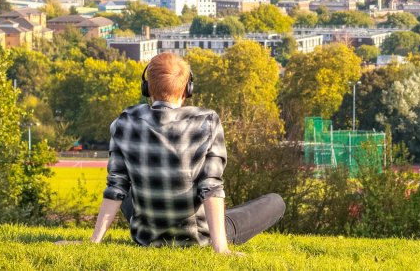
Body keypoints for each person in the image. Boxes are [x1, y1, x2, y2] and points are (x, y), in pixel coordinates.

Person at [88, 53, 285, 253]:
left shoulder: (125, 121)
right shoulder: (206, 121)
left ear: (147, 88)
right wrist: (221, 249)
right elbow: (211, 187)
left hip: (147, 236)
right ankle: (218, 231)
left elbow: (116, 186)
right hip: (197, 236)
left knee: (126, 186)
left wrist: (94, 241)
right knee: (275, 202)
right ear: (187, 89)